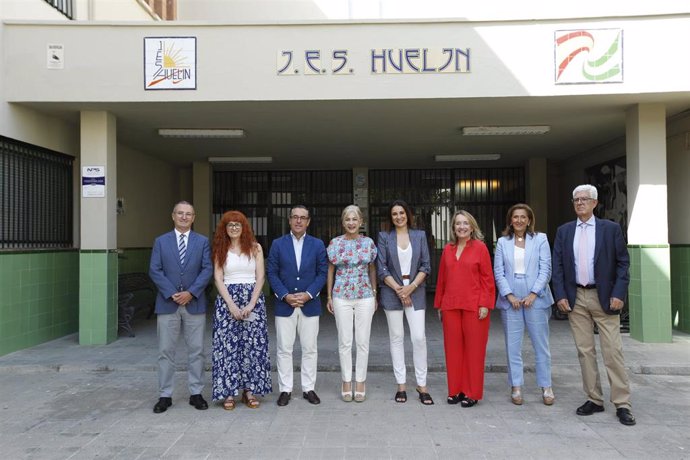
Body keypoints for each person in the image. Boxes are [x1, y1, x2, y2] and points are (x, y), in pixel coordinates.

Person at [552, 184, 635, 426]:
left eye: (585, 199)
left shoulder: (610, 229)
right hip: (576, 297)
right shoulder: (565, 231)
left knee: (612, 351)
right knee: (585, 351)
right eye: (576, 200)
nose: (580, 203)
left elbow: (623, 264)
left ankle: (622, 403)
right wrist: (560, 295)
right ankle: (594, 399)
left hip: (605, 296)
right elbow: (557, 266)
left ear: (595, 203)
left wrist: (619, 293)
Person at [149, 201, 213, 414]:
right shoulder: (161, 241)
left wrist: (191, 292)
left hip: (194, 303)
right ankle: (165, 395)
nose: (184, 217)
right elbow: (155, 270)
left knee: (196, 351)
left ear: (194, 218)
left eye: (188, 214)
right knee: (165, 351)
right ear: (173, 216)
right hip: (168, 303)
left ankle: (196, 393)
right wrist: (172, 293)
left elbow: (207, 269)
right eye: (180, 213)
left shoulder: (202, 241)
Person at [494, 203, 555, 406]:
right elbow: (499, 272)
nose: (519, 220)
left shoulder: (540, 239)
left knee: (541, 346)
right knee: (513, 347)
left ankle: (546, 386)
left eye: (523, 217)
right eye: (515, 217)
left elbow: (546, 269)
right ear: (510, 220)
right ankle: (516, 386)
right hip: (510, 299)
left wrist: (533, 293)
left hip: (536, 298)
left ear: (529, 220)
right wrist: (509, 295)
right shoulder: (502, 242)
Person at [267, 205, 328, 407]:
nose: (298, 221)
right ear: (289, 220)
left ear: (308, 221)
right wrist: (285, 295)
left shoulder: (318, 244)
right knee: (284, 349)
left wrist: (309, 294)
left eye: (303, 218)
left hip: (310, 304)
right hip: (285, 304)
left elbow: (322, 273)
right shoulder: (277, 244)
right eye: (295, 217)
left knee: (309, 348)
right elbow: (272, 273)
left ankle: (308, 388)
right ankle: (285, 389)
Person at [211, 211, 272, 410]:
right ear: (224, 228)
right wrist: (231, 304)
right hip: (227, 301)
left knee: (252, 347)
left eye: (238, 224)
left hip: (252, 300)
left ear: (244, 227)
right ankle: (228, 392)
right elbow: (218, 278)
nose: (234, 228)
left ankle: (249, 391)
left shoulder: (255, 248)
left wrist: (251, 303)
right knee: (227, 347)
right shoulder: (220, 249)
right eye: (230, 225)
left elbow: (260, 277)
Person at [434, 210, 495, 408]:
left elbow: (487, 279)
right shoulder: (448, 249)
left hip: (474, 306)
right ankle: (455, 390)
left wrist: (485, 303)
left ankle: (472, 392)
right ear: (453, 228)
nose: (461, 227)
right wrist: (439, 305)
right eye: (458, 224)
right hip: (450, 305)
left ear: (472, 227)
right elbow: (442, 278)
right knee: (452, 350)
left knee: (474, 351)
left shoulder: (480, 248)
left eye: (465, 223)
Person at [376, 200, 434, 405]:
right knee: (397, 337)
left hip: (415, 290)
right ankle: (401, 384)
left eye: (402, 212)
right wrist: (400, 290)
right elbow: (381, 268)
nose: (398, 216)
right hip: (392, 291)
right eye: (394, 214)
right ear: (390, 218)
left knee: (419, 338)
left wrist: (410, 288)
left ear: (408, 215)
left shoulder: (419, 236)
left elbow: (426, 265)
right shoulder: (384, 237)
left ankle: (422, 385)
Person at [326, 205, 378, 403]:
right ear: (343, 222)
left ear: (361, 222)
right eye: (348, 219)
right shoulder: (335, 243)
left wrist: (374, 293)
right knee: (345, 342)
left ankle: (361, 381)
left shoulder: (368, 243)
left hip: (365, 295)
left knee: (363, 342)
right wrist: (329, 296)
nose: (351, 223)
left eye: (355, 219)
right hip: (341, 296)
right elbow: (331, 270)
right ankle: (346, 381)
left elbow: (372, 269)